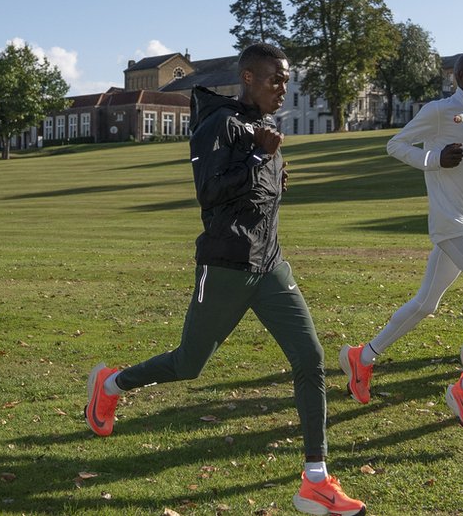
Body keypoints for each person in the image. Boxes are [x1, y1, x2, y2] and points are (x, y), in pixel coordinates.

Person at [83, 43, 365, 516]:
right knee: (189, 364)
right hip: (226, 266)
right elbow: (210, 192)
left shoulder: (263, 126)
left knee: (310, 358)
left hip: (270, 265)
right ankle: (111, 385)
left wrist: (275, 173)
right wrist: (259, 159)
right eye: (276, 78)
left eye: (287, 78)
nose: (284, 86)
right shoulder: (219, 123)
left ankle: (315, 480)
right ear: (249, 78)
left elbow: (254, 191)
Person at [338, 52, 463, 434]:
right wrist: (434, 158)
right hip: (450, 223)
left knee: (426, 303)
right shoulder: (439, 111)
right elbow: (396, 144)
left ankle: (362, 357)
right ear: (460, 76)